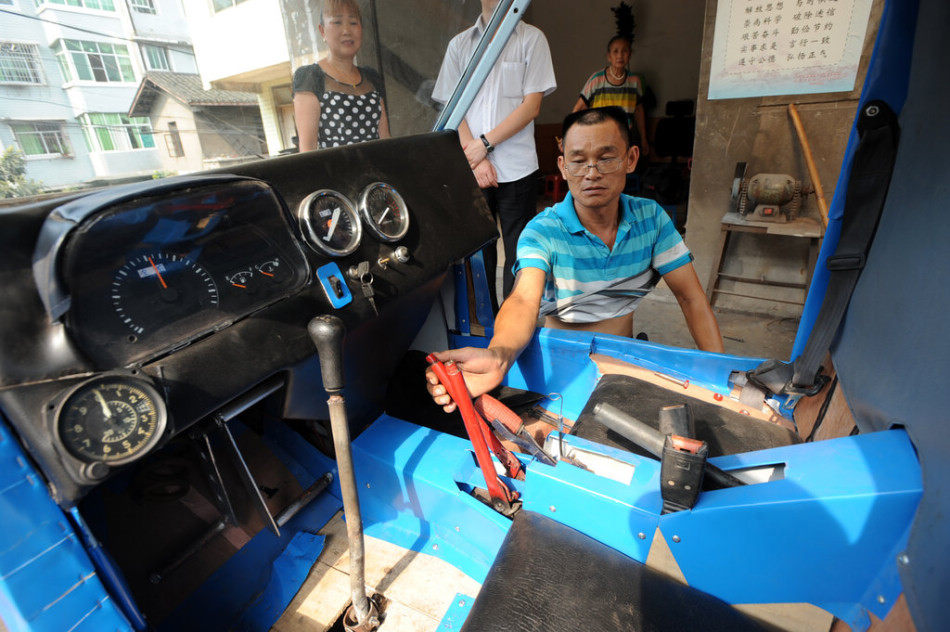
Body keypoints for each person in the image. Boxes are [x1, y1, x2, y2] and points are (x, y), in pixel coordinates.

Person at [427, 107, 723, 412]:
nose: (591, 172)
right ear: (563, 167)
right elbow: (523, 300)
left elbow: (691, 298)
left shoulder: (652, 220)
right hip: (559, 361)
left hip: (624, 359)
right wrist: (500, 355)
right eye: (578, 161)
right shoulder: (544, 230)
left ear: (630, 159)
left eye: (606, 158)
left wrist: (719, 377)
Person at [432, 0, 556, 306]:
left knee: (520, 251)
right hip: (472, 168)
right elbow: (451, 107)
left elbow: (532, 106)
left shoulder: (532, 38)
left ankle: (514, 323)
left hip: (519, 166)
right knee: (479, 251)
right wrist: (476, 157)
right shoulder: (459, 45)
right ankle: (488, 327)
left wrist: (484, 144)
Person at [292, 0, 390, 150]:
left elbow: (386, 141)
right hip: (334, 173)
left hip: (377, 171)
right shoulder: (310, 77)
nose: (346, 30)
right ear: (322, 31)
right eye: (337, 22)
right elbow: (307, 151)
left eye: (353, 22)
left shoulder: (372, 77)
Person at [573, 35, 650, 159]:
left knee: (620, 174)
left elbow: (639, 111)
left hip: (623, 139)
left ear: (630, 55)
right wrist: (570, 136)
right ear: (609, 56)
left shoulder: (634, 82)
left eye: (624, 51)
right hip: (598, 139)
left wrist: (644, 138)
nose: (620, 55)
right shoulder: (596, 80)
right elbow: (578, 108)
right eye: (615, 51)